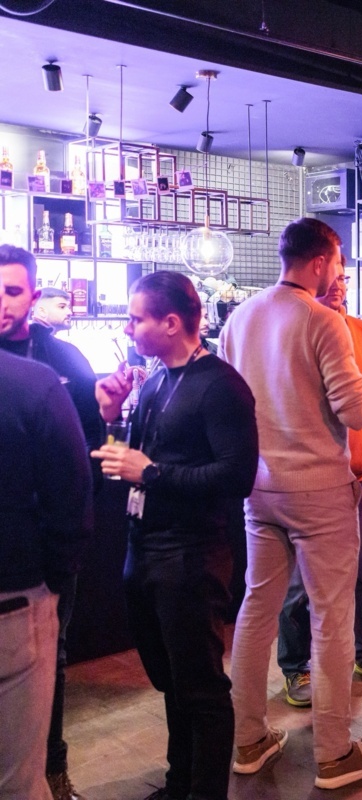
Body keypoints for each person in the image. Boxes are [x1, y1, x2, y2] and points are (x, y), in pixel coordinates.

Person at [220, 218, 362, 790]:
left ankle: (248, 740)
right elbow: (354, 411)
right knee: (332, 618)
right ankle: (336, 753)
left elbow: (229, 403)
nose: (339, 274)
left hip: (258, 488)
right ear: (320, 262)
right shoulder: (322, 320)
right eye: (338, 263)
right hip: (319, 492)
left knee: (256, 610)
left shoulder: (241, 317)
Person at [91, 271, 258, 800]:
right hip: (146, 549)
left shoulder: (222, 385)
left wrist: (154, 474)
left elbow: (237, 476)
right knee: (171, 681)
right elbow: (126, 465)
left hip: (192, 556)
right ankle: (178, 783)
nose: (128, 327)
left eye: (136, 318)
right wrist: (110, 417)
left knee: (201, 688)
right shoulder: (157, 381)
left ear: (170, 322)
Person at [0, 245, 101, 800]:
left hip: (45, 555)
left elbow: (90, 448)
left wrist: (62, 565)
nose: (2, 302)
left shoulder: (62, 362)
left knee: (52, 661)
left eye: (13, 291)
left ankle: (54, 770)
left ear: (33, 296)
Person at [276, 254, 362, 708]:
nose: (338, 285)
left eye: (344, 278)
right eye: (332, 277)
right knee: (298, 578)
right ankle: (297, 667)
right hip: (309, 480)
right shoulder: (295, 330)